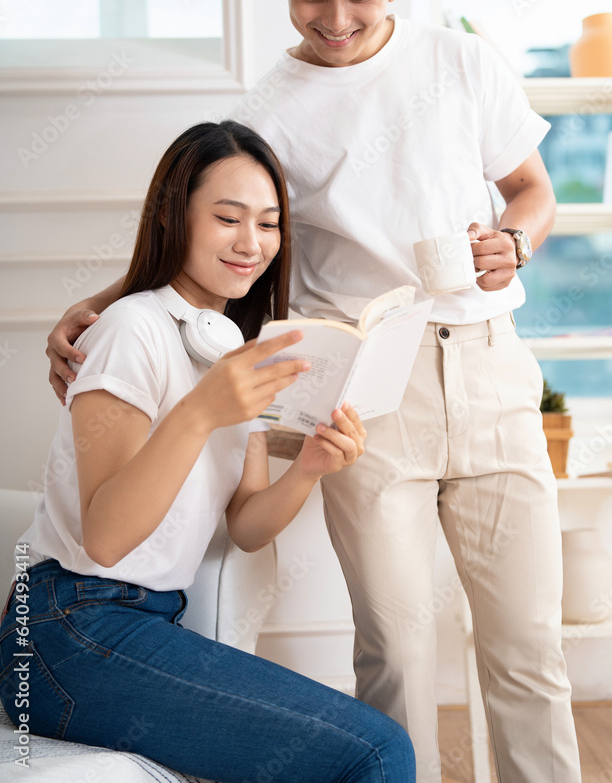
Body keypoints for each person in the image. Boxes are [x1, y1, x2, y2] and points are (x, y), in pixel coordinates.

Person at [45, 0, 582, 783]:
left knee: (528, 648)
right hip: (370, 397)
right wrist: (104, 300)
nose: (335, 20)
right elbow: (216, 227)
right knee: (396, 648)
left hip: (492, 371)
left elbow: (532, 193)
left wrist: (513, 244)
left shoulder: (459, 62)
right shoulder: (266, 113)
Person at [1, 120, 416, 783]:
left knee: (368, 745)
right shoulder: (129, 329)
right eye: (228, 218)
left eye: (269, 223)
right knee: (374, 751)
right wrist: (200, 412)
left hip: (146, 622)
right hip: (65, 631)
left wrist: (310, 467)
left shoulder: (229, 348)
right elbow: (106, 538)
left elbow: (247, 524)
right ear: (174, 217)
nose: (251, 243)